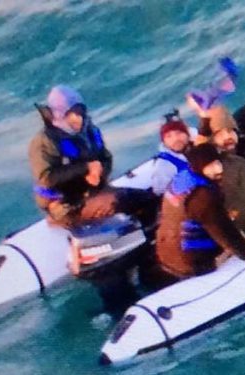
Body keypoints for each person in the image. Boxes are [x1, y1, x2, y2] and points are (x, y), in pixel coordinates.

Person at [29, 85, 158, 315]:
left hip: (94, 192)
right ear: (59, 114)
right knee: (114, 202)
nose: (77, 118)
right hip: (66, 205)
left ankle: (147, 251)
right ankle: (111, 260)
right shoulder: (43, 143)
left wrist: (98, 172)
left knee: (145, 199)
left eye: (80, 112)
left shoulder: (89, 130)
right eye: (72, 114)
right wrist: (85, 169)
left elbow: (105, 158)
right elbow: (47, 179)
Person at [154, 143, 245, 284]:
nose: (217, 169)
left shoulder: (181, 180)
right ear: (199, 167)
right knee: (231, 235)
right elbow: (222, 229)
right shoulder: (203, 196)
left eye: (218, 163)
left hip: (167, 253)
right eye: (210, 166)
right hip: (193, 261)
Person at [194, 103, 245, 241]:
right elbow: (199, 149)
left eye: (230, 130)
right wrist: (204, 121)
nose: (227, 136)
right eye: (219, 133)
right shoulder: (214, 165)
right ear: (211, 139)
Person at [151, 111, 191, 196]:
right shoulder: (163, 165)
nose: (176, 139)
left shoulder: (197, 146)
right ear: (164, 141)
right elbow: (160, 192)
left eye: (179, 133)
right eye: (169, 136)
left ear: (187, 134)